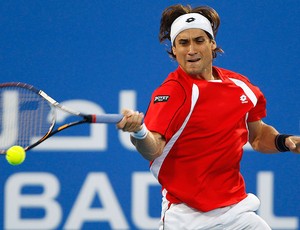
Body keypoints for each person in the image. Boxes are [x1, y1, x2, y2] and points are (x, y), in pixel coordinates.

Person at [117, 4, 300, 230]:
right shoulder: (172, 93)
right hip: (187, 218)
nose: (191, 49)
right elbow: (153, 149)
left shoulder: (241, 86)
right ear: (174, 49)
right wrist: (139, 132)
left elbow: (258, 135)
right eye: (183, 43)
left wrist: (284, 142)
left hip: (237, 213)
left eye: (199, 41)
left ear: (212, 44)